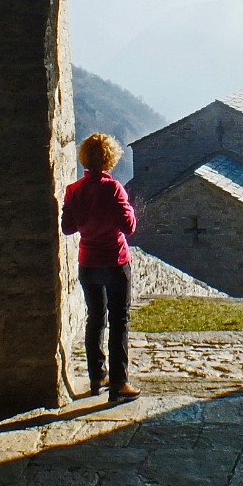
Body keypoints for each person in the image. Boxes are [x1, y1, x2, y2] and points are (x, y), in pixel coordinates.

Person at [61, 132, 139, 402]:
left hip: (88, 263)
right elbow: (129, 227)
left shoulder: (74, 191)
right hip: (115, 262)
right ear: (109, 158)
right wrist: (127, 208)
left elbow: (68, 228)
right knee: (119, 320)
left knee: (95, 318)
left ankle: (97, 375)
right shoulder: (113, 188)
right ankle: (119, 383)